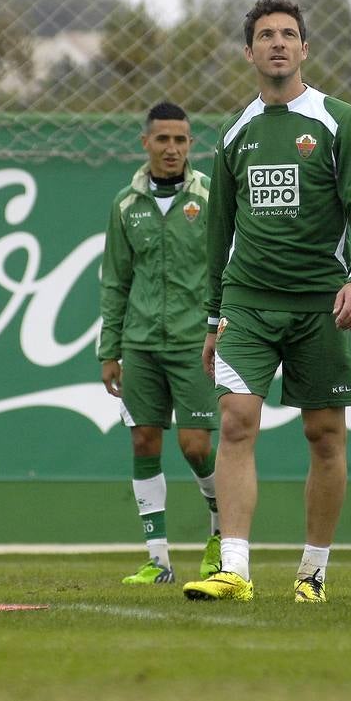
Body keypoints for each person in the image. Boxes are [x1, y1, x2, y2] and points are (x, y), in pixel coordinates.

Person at [181, 0, 351, 604]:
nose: (277, 43)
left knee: (324, 434)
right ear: (249, 52)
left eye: (288, 34)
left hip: (320, 303)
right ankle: (235, 571)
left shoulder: (339, 121)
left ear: (304, 49)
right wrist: (214, 317)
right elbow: (219, 231)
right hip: (248, 304)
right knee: (237, 421)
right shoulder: (235, 132)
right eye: (265, 35)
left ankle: (313, 572)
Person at [98, 101, 222, 586]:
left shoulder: (211, 198)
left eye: (181, 140)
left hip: (196, 343)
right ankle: (159, 560)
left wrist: (221, 326)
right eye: (163, 139)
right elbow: (116, 281)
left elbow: (226, 267)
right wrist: (110, 349)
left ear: (191, 144)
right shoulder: (125, 204)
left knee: (195, 447)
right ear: (145, 142)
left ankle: (218, 532)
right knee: (144, 440)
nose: (172, 148)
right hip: (141, 342)